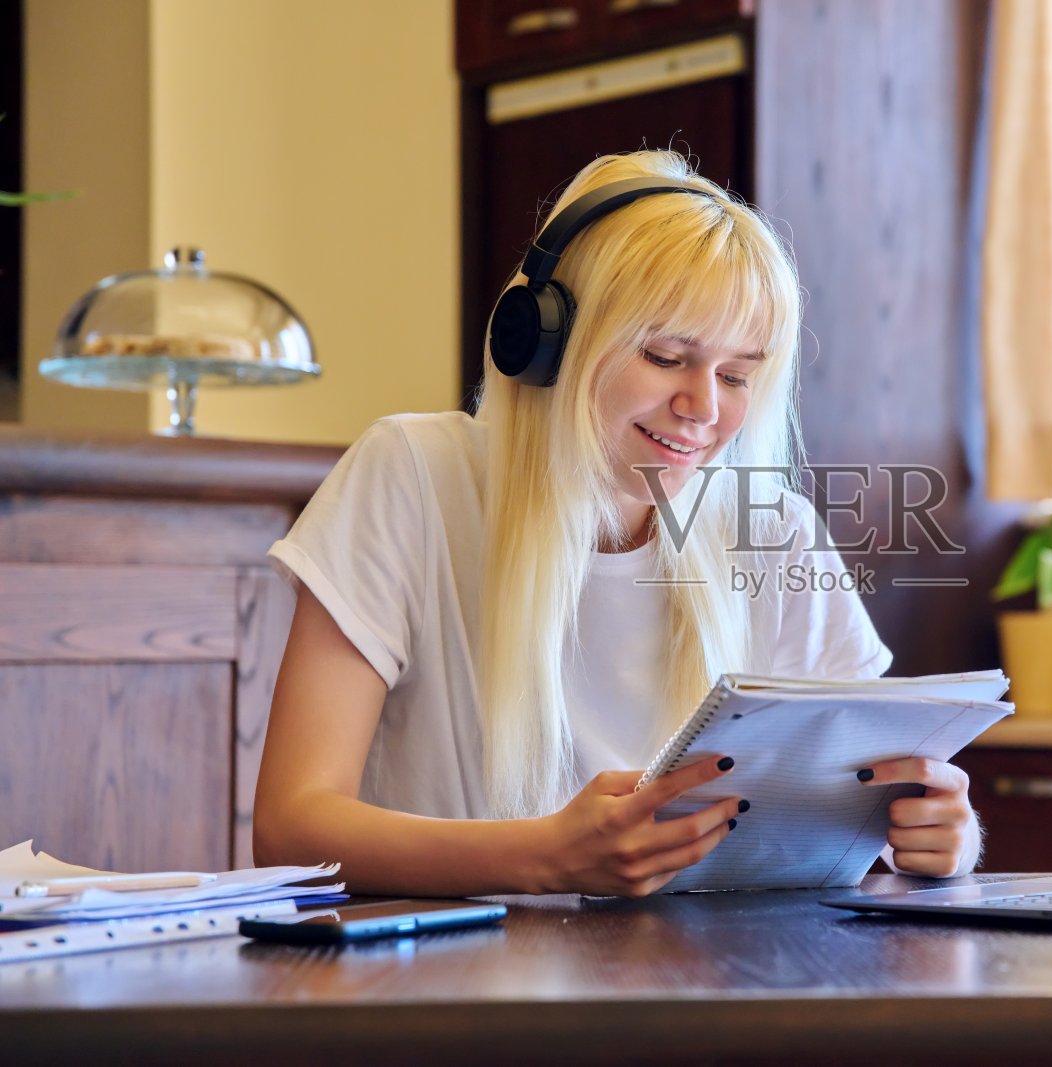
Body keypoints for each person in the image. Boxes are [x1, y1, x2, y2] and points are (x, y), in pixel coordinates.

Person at [253, 150, 982, 897]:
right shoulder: (411, 474)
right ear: (546, 344)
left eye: (737, 376)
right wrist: (545, 857)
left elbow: (879, 788)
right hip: (456, 987)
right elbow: (292, 824)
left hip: (710, 986)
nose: (704, 407)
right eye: (667, 356)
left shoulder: (774, 528)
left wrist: (935, 831)